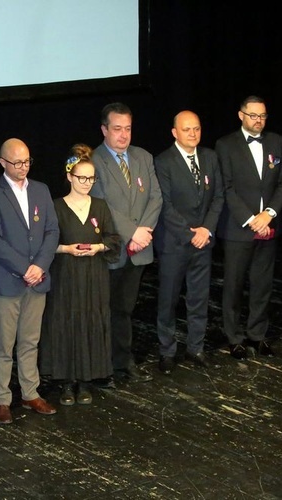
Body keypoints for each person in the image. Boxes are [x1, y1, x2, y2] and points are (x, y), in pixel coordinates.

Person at [0, 138, 59, 424]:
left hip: (37, 279)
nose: (23, 167)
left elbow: (52, 231)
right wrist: (25, 268)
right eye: (16, 162)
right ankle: (1, 399)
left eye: (26, 161)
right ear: (2, 163)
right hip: (6, 282)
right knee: (4, 345)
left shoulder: (41, 190)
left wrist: (39, 266)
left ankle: (30, 392)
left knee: (30, 341)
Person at [40, 143, 120, 406]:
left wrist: (98, 247)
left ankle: (86, 380)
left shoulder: (100, 206)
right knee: (65, 321)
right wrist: (67, 249)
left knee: (91, 321)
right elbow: (45, 242)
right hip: (66, 274)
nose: (86, 182)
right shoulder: (56, 206)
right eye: (81, 177)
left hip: (94, 274)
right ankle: (66, 382)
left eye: (91, 178)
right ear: (69, 177)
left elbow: (113, 239)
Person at [215, 95, 282, 360]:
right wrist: (251, 219)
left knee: (262, 284)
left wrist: (269, 214)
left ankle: (257, 335)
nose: (258, 121)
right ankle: (234, 338)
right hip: (239, 228)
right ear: (241, 115)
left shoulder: (276, 141)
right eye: (253, 116)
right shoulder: (225, 145)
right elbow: (226, 188)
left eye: (262, 116)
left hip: (268, 226)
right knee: (234, 286)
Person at [90, 102, 162, 385]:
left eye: (128, 129)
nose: (123, 135)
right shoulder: (94, 161)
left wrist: (143, 232)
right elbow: (101, 204)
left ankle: (124, 359)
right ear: (104, 129)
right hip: (111, 250)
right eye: (117, 129)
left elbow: (156, 197)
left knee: (125, 309)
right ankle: (102, 365)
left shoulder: (143, 156)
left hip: (139, 249)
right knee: (104, 310)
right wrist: (133, 232)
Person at [154, 110, 224, 374]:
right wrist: (190, 233)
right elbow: (165, 205)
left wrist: (206, 229)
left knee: (199, 298)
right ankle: (167, 351)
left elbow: (218, 197)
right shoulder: (163, 161)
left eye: (196, 129)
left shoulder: (209, 157)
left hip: (203, 242)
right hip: (175, 243)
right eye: (187, 130)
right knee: (168, 300)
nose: (193, 134)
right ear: (175, 133)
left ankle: (196, 347)